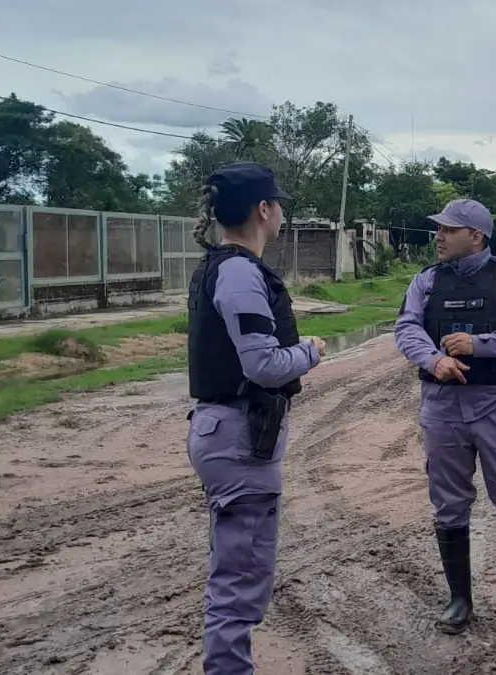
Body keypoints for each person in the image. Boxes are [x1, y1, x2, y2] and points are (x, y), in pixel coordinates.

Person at [185, 161, 326, 674]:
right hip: (240, 440)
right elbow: (263, 364)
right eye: (279, 203)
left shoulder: (222, 266)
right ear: (263, 210)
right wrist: (310, 351)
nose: (282, 211)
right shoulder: (240, 272)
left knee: (239, 570)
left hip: (229, 433)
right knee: (240, 580)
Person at [393, 198, 496, 635]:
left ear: (476, 236)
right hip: (443, 407)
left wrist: (478, 345)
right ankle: (459, 600)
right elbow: (406, 328)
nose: (439, 237)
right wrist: (434, 360)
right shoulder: (426, 280)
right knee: (448, 502)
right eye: (440, 229)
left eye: (449, 230)